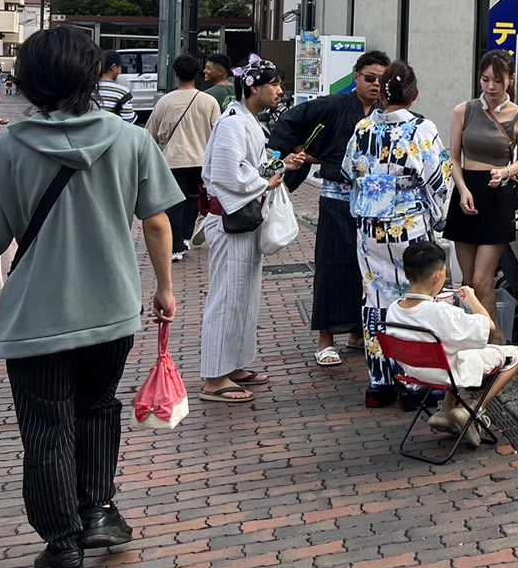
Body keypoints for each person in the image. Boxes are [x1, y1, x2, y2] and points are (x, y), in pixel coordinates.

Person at [0, 27, 179, 568]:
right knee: (97, 407)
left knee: (46, 429)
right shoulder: (129, 139)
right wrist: (163, 288)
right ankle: (98, 511)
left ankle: (62, 549)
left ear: (28, 85)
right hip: (114, 308)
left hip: (36, 319)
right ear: (93, 76)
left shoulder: (8, 149)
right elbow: (158, 220)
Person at [342, 61, 453, 406]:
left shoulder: (363, 128)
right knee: (415, 297)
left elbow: (348, 171)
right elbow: (439, 179)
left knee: (375, 298)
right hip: (409, 226)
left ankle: (380, 380)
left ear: (383, 92)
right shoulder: (422, 129)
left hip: (370, 227)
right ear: (414, 94)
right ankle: (416, 383)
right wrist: (437, 217)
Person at [270, 49, 389, 367]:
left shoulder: (385, 114)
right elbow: (292, 119)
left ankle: (356, 332)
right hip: (337, 199)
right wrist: (299, 152)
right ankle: (326, 339)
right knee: (332, 265)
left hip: (372, 205)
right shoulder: (336, 104)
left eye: (382, 80)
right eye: (370, 78)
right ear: (356, 78)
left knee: (368, 271)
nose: (376, 85)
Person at [199, 57, 306, 403]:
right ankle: (214, 378)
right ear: (253, 88)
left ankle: (231, 365)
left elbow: (248, 168)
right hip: (231, 220)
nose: (279, 91)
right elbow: (228, 174)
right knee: (227, 298)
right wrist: (265, 180)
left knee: (242, 297)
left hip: (243, 219)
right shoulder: (233, 123)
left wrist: (280, 166)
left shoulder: (246, 121)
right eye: (273, 84)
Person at [384, 240, 518, 441]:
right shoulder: (442, 312)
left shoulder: (393, 308)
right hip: (445, 373)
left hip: (412, 372)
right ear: (440, 274)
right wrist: (472, 299)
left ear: (406, 273)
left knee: (454, 348)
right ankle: (474, 410)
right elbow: (488, 326)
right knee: (516, 354)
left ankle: (446, 410)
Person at [444, 50, 518, 329]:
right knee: (467, 283)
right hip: (466, 195)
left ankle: (494, 341)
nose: (491, 87)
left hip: (497, 197)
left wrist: (505, 172)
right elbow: (454, 158)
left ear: (511, 80)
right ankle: (470, 340)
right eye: (485, 80)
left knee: (483, 281)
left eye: (497, 80)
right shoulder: (463, 110)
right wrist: (462, 189)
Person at [146, 54, 221, 259]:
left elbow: (150, 133)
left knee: (174, 204)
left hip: (173, 161)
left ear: (176, 74)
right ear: (197, 74)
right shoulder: (209, 101)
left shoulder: (165, 102)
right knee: (193, 201)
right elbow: (218, 132)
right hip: (200, 160)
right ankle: (186, 237)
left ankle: (175, 245)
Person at [96, 50, 136, 123]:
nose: (121, 70)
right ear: (114, 67)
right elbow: (128, 120)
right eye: (120, 67)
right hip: (112, 133)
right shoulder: (122, 92)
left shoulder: (88, 89)